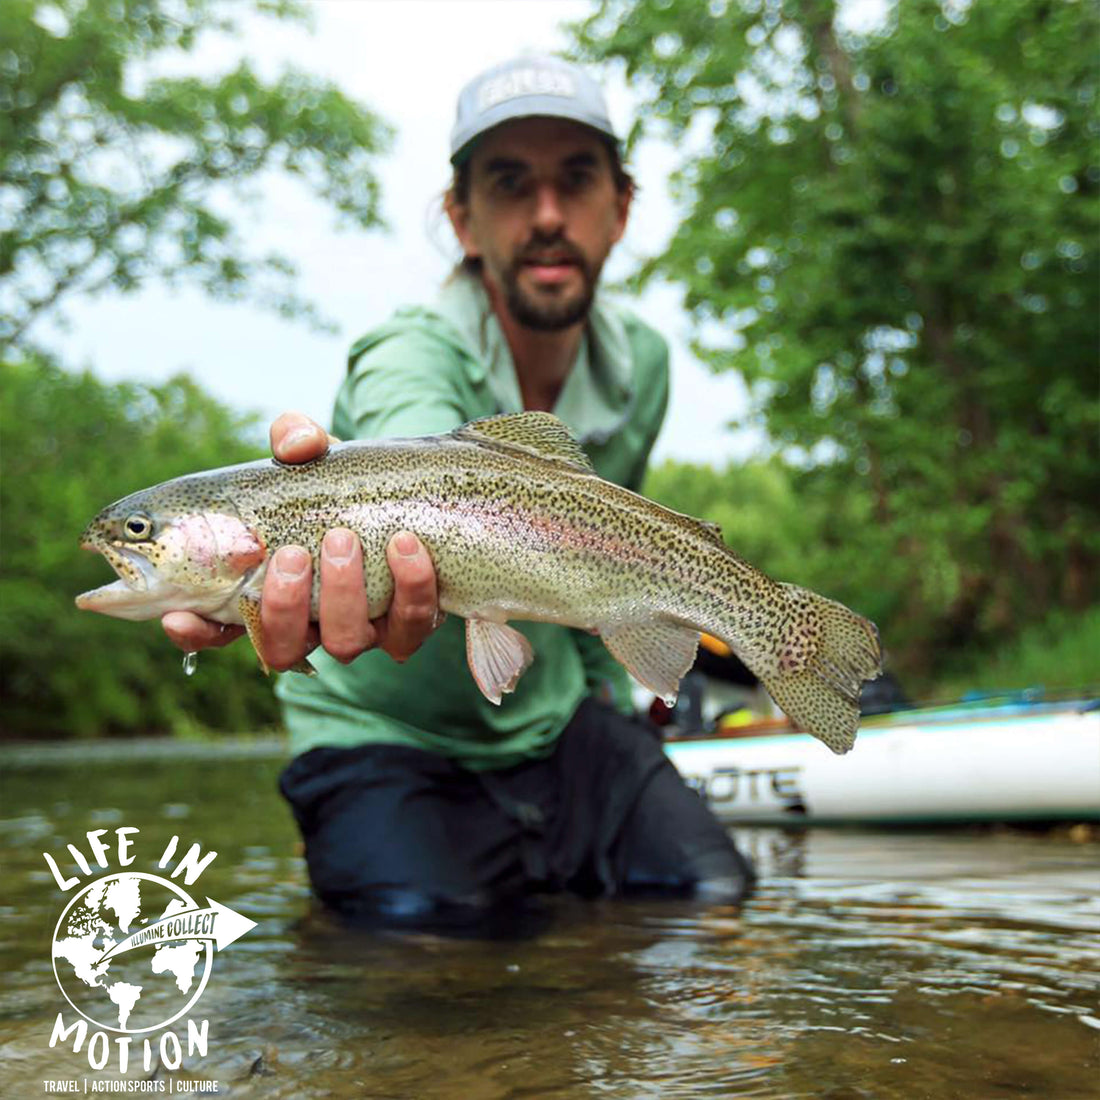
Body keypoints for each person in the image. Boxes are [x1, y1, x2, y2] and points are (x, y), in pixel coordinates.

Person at [165, 55, 754, 931]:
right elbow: (423, 474)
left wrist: (620, 697)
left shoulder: (646, 367)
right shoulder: (409, 352)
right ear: (462, 217)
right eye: (511, 184)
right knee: (429, 945)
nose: (547, 215)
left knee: (714, 904)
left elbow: (604, 563)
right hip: (384, 740)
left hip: (552, 719)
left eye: (576, 180)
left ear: (620, 208)